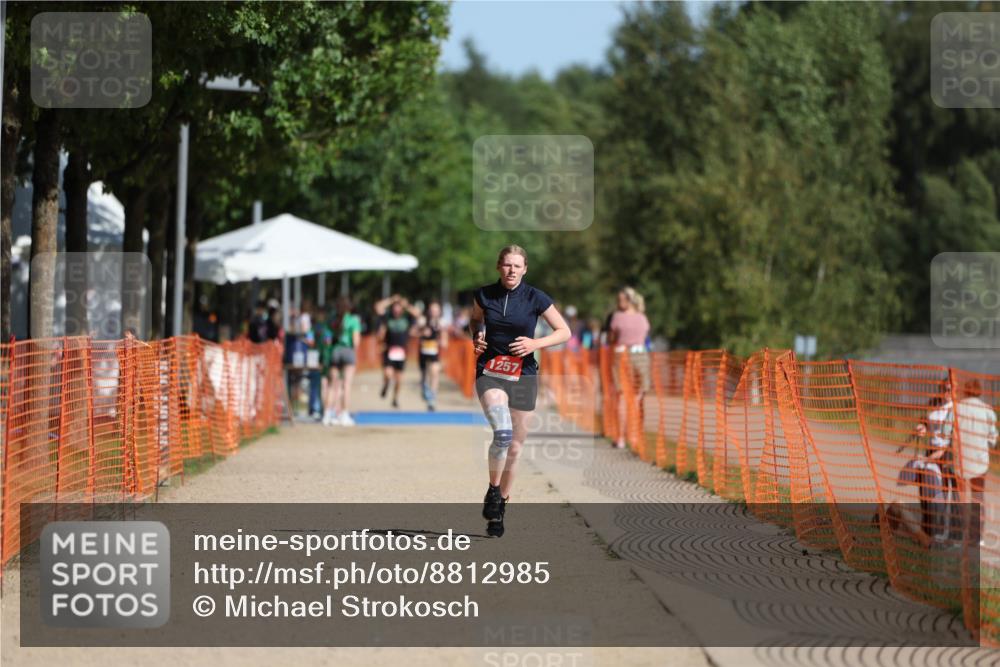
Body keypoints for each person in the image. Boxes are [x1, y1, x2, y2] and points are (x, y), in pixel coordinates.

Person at [470, 245, 571, 537]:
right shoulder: (484, 295)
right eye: (507, 265)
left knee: (515, 446)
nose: (512, 270)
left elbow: (564, 331)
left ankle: (501, 504)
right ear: (499, 267)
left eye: (517, 266)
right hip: (490, 370)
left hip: (524, 374)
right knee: (502, 433)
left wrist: (534, 344)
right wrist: (476, 335)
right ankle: (492, 490)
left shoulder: (535, 297)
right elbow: (475, 320)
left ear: (525, 269)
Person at [952, 379, 998, 547]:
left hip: (960, 460)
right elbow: (993, 439)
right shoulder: (987, 410)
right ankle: (978, 536)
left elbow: (951, 431)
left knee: (961, 498)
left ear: (965, 390)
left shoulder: (956, 408)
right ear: (979, 391)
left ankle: (959, 535)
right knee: (978, 498)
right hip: (979, 461)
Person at [608, 287, 651, 449]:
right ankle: (634, 435)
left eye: (621, 300)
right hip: (640, 355)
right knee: (638, 396)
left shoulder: (617, 317)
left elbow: (611, 339)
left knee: (621, 396)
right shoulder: (642, 317)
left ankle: (622, 438)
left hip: (622, 356)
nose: (619, 303)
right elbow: (645, 336)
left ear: (629, 300)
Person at [374, 295, 420, 409]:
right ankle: (386, 384)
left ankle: (395, 398)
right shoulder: (387, 317)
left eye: (398, 307)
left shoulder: (407, 318)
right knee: (388, 374)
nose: (396, 309)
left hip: (401, 352)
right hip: (389, 350)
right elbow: (378, 307)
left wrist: (405, 304)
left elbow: (417, 313)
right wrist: (391, 300)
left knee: (399, 380)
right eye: (395, 307)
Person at [323, 296, 362, 426]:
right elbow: (356, 341)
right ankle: (344, 415)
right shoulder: (353, 320)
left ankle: (327, 414)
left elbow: (327, 340)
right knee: (346, 385)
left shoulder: (332, 320)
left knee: (332, 385)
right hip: (347, 351)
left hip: (335, 351)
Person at [418, 301, 448, 412]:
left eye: (436, 310)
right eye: (432, 310)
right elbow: (413, 332)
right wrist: (422, 333)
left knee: (434, 372)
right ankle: (424, 389)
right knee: (424, 376)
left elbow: (445, 339)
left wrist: (443, 341)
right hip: (423, 352)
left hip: (434, 352)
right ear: (429, 311)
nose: (434, 312)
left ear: (439, 311)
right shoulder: (422, 321)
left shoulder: (442, 323)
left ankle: (432, 398)